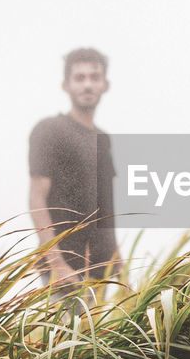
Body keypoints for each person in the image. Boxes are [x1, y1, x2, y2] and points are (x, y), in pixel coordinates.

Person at [28, 47, 121, 289]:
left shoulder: (103, 139)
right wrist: (57, 264)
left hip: (101, 274)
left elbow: (105, 208)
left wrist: (118, 262)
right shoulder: (51, 130)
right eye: (79, 78)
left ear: (105, 85)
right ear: (65, 85)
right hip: (64, 272)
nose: (87, 85)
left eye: (94, 77)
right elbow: (37, 197)